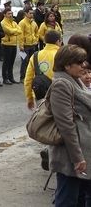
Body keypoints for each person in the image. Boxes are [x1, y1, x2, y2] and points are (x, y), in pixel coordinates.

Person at [49, 45, 91, 206]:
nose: (83, 66)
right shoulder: (62, 84)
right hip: (71, 155)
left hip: (82, 151)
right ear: (67, 65)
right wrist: (77, 158)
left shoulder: (73, 81)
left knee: (79, 197)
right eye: (79, 62)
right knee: (67, 199)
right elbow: (66, 125)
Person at [24, 30, 62, 110]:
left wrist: (29, 97)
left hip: (40, 94)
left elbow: (28, 79)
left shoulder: (35, 55)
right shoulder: (61, 55)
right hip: (59, 93)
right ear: (58, 41)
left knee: (43, 118)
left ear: (45, 41)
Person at [0, 9, 21, 85]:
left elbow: (20, 30)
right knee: (6, 62)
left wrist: (14, 31)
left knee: (11, 62)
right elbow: (9, 31)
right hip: (6, 44)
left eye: (11, 13)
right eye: (9, 13)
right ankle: (5, 78)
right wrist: (14, 31)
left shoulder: (14, 22)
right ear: (5, 14)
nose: (10, 15)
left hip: (14, 44)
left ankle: (11, 77)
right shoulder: (3, 23)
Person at [18, 8, 39, 82]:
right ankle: (22, 77)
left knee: (32, 61)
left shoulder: (34, 23)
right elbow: (20, 35)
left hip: (32, 45)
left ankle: (30, 76)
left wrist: (36, 40)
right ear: (26, 14)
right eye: (30, 13)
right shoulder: (22, 23)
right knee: (24, 61)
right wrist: (21, 46)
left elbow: (37, 32)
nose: (32, 15)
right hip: (24, 46)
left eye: (32, 13)